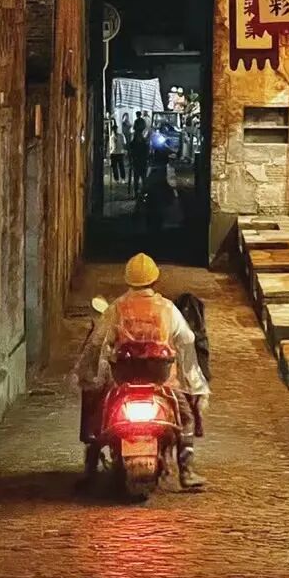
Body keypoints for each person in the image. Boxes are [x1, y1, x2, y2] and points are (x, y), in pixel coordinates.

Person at [76, 253, 209, 490]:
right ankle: (186, 471)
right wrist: (193, 380)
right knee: (186, 418)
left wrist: (88, 372)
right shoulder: (166, 308)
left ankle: (90, 468)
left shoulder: (118, 308)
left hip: (124, 379)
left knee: (98, 414)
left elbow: (97, 341)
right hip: (161, 379)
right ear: (154, 279)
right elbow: (187, 339)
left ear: (128, 279)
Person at [129, 122, 149, 195]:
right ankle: (137, 192)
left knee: (142, 179)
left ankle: (142, 192)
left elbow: (146, 152)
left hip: (141, 162)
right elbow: (131, 152)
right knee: (138, 178)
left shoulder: (142, 143)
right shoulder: (135, 143)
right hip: (138, 163)